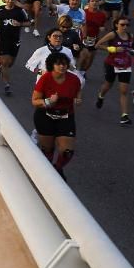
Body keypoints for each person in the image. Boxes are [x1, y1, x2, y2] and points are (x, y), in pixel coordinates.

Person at [31, 51, 82, 180]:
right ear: (51, 65)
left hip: (65, 116)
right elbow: (35, 101)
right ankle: (46, 175)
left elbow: (78, 93)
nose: (62, 67)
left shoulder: (74, 79)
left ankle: (57, 168)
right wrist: (49, 101)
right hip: (45, 116)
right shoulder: (45, 78)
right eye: (58, 64)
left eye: (64, 64)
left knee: (67, 151)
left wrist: (78, 99)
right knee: (47, 149)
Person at [95, 16, 134, 125]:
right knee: (108, 85)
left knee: (124, 91)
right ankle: (101, 96)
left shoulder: (130, 36)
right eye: (122, 24)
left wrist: (133, 52)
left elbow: (131, 48)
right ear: (117, 25)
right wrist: (112, 49)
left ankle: (124, 116)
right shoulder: (113, 34)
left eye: (127, 25)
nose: (125, 27)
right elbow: (97, 45)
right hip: (111, 64)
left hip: (125, 65)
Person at [0, 0, 28, 96]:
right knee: (5, 63)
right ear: (5, 0)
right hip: (3, 39)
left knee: (10, 63)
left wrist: (20, 24)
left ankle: (3, 68)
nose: (10, 1)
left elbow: (29, 23)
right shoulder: (0, 9)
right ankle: (6, 85)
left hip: (15, 40)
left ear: (15, 0)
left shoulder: (19, 11)